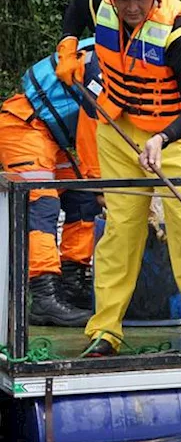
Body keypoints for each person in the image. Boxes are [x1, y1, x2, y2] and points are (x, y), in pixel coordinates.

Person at [58, 0, 181, 356]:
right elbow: (76, 8)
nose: (131, 5)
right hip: (120, 126)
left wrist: (162, 139)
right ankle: (106, 331)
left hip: (180, 133)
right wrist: (68, 47)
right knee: (120, 229)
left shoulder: (180, 33)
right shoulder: (102, 5)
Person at [0, 40, 102, 326]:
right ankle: (44, 295)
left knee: (83, 198)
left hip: (53, 138)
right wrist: (100, 184)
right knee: (43, 203)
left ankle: (74, 283)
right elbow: (92, 129)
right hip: (23, 127)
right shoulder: (99, 68)